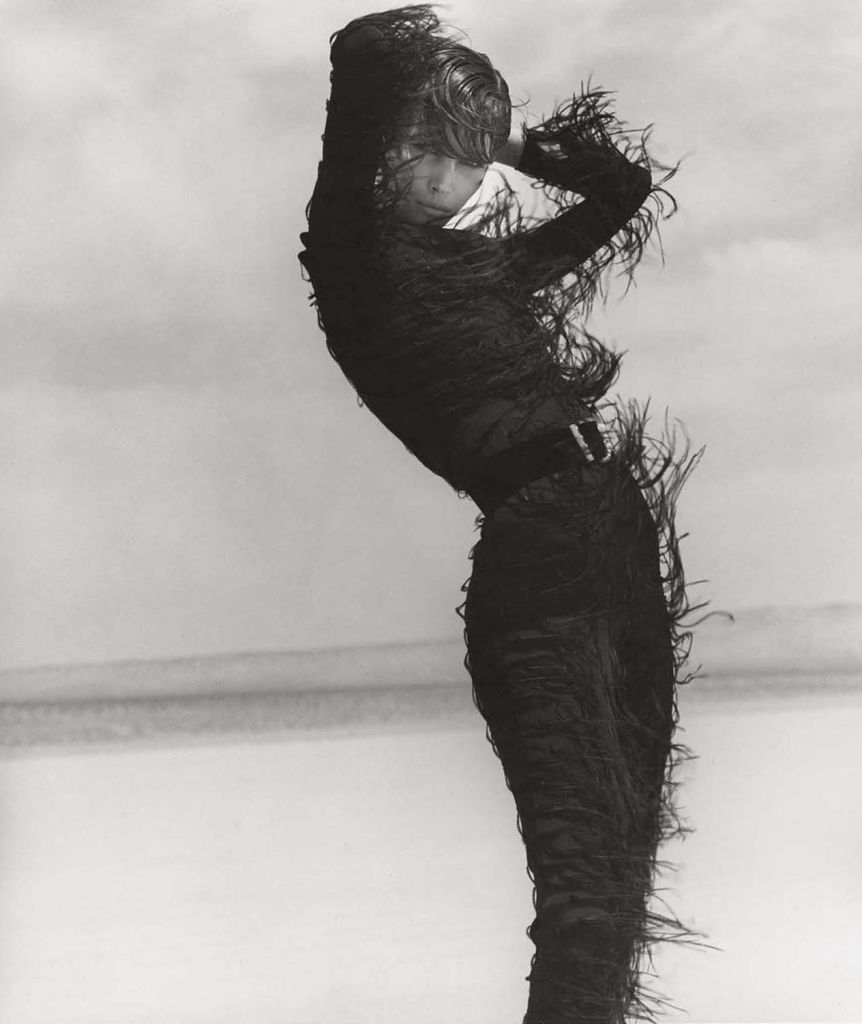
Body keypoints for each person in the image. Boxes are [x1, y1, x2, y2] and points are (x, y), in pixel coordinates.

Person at [299, 6, 700, 1022]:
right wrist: (421, 102)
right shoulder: (362, 268)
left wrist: (510, 135)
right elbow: (367, 71)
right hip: (542, 568)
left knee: (622, 869)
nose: (479, 179)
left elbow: (620, 189)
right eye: (450, 149)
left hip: (606, 541)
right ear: (390, 150)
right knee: (581, 893)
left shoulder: (476, 276)